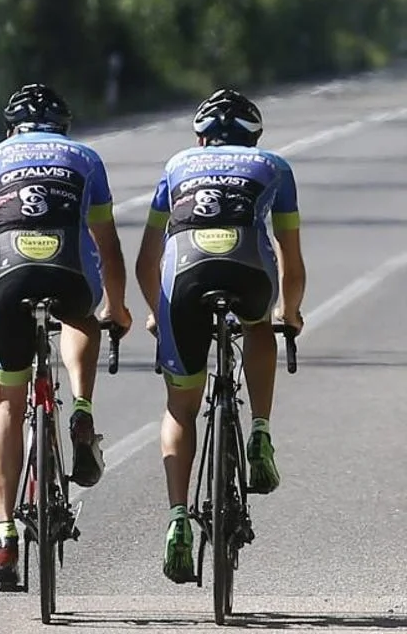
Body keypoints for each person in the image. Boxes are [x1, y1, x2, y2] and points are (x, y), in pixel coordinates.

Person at [0, 83, 132, 587]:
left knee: (7, 405)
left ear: (11, 129)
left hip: (8, 281)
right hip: (68, 274)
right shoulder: (86, 159)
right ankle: (81, 409)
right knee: (82, 317)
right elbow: (108, 245)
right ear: (63, 127)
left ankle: (4, 534)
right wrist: (116, 307)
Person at [133, 88, 307, 584]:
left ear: (200, 139)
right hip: (250, 273)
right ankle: (260, 432)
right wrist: (289, 312)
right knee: (258, 325)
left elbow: (147, 261)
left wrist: (158, 313)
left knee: (180, 408)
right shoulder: (274, 166)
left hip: (184, 281)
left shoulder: (177, 165)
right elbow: (291, 260)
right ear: (255, 138)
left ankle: (177, 520)